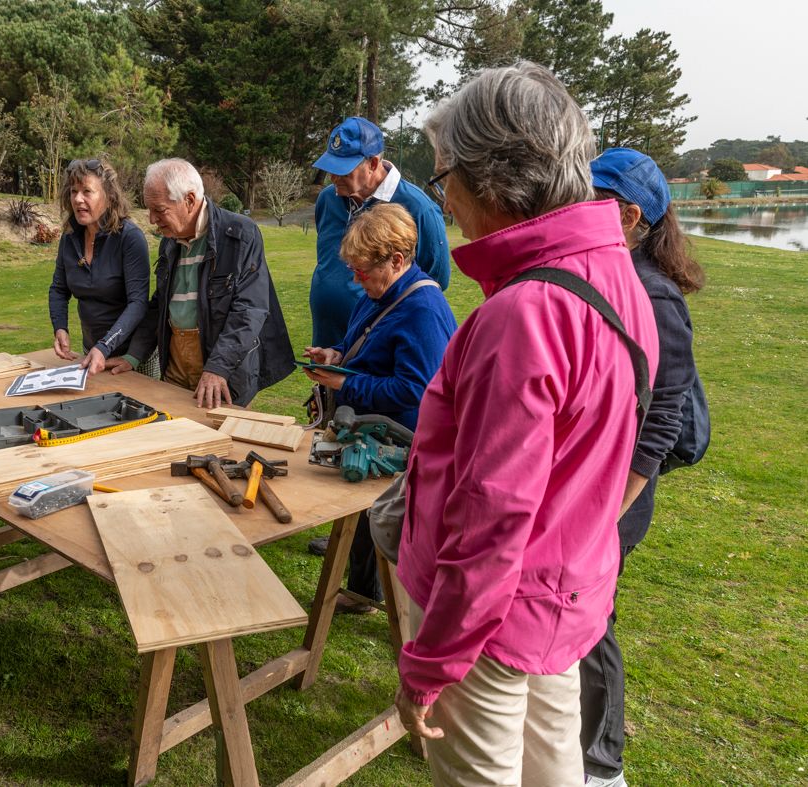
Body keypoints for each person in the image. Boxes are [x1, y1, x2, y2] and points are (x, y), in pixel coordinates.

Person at [392, 62, 659, 786]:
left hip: (489, 622)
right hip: (562, 597)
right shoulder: (614, 274)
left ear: (490, 176)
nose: (440, 193)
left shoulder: (521, 314)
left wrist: (427, 663)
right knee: (555, 772)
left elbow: (489, 521)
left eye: (443, 170)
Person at [580, 147, 706, 787]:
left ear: (629, 215)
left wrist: (609, 510)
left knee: (590, 623)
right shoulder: (611, 274)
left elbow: (661, 422)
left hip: (619, 496)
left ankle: (602, 766)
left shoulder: (653, 294)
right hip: (593, 489)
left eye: (591, 198)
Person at [302, 204, 455, 614]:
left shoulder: (422, 309)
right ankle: (363, 584)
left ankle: (371, 594)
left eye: (362, 270)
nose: (355, 278)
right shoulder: (380, 292)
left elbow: (417, 390)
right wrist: (335, 356)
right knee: (367, 515)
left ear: (398, 260)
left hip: (401, 437)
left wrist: (347, 383)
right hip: (375, 426)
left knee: (383, 517)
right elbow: (369, 349)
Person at [115, 158, 293, 408]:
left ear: (189, 200)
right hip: (176, 361)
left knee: (221, 441)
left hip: (223, 368)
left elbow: (249, 311)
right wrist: (133, 356)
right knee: (174, 435)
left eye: (160, 210)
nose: (152, 219)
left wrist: (218, 368)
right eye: (149, 209)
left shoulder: (240, 234)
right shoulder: (170, 240)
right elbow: (160, 305)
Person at [310, 116, 451, 348]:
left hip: (380, 351)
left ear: (373, 163)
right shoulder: (328, 199)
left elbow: (434, 281)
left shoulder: (419, 208)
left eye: (343, 171)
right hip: (328, 346)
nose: (333, 178)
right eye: (330, 168)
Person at [48, 158, 150, 376]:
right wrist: (60, 327)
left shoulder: (130, 238)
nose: (77, 199)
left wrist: (105, 346)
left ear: (109, 196)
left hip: (131, 357)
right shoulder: (70, 238)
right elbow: (59, 289)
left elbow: (138, 303)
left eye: (87, 191)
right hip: (92, 352)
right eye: (73, 191)